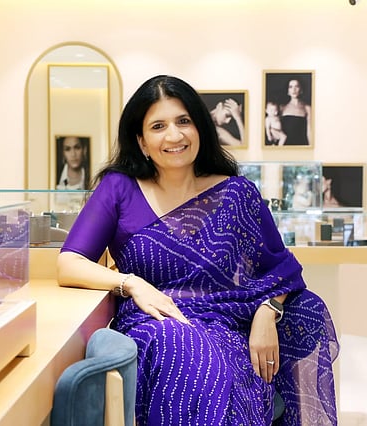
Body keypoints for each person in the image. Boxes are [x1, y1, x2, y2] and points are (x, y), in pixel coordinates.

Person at [57, 75, 339, 425]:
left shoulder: (237, 193)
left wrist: (268, 312)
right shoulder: (119, 188)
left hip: (230, 323)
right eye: (158, 126)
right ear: (141, 141)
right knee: (191, 352)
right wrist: (132, 284)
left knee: (305, 312)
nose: (174, 135)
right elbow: (69, 262)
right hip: (158, 322)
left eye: (183, 121)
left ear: (200, 128)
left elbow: (281, 269)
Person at [280, 78, 312, 146]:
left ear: (301, 90)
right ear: (288, 91)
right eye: (290, 87)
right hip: (285, 147)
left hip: (301, 145)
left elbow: (309, 132)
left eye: (296, 86)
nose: (294, 90)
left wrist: (311, 148)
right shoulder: (282, 108)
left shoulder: (307, 108)